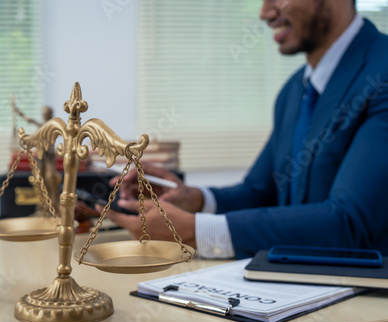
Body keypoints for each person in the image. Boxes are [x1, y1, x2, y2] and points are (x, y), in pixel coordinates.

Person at [103, 0, 388, 259]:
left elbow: (348, 222)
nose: (265, 13)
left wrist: (195, 230)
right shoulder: (294, 90)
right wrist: (194, 199)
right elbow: (260, 192)